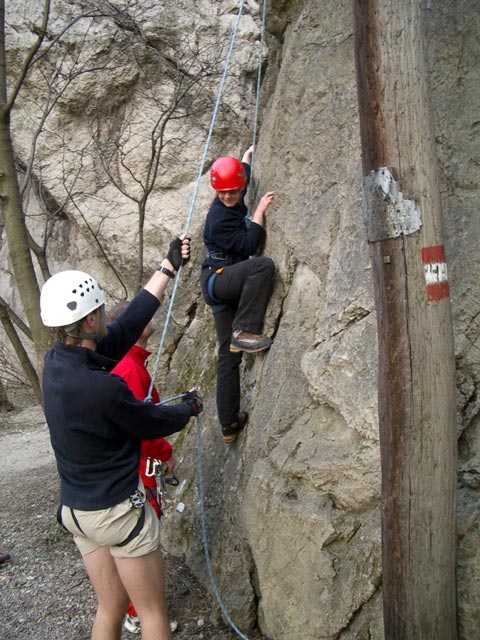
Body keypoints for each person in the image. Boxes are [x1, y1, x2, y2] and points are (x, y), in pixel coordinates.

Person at [40, 236, 202, 640]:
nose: (107, 319)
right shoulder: (103, 389)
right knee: (151, 614)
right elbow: (150, 422)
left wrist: (166, 270)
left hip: (77, 512)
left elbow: (126, 329)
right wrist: (189, 409)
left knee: (110, 606)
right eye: (101, 313)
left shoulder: (57, 364)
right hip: (115, 515)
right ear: (91, 320)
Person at [106, 300, 177, 636]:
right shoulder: (131, 369)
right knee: (140, 539)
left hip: (132, 466)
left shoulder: (131, 363)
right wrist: (166, 453)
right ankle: (137, 611)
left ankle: (132, 606)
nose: (150, 319)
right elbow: (142, 427)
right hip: (138, 469)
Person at [200, 145, 276, 444]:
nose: (229, 197)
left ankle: (229, 424)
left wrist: (247, 156)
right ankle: (244, 330)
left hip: (225, 282)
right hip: (218, 280)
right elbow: (249, 245)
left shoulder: (233, 192)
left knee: (227, 356)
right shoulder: (218, 219)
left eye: (233, 192)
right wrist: (258, 212)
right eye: (223, 194)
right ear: (216, 193)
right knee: (262, 267)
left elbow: (239, 178)